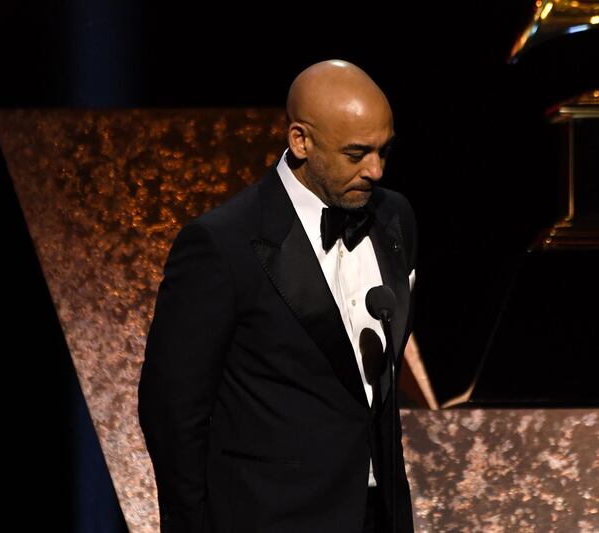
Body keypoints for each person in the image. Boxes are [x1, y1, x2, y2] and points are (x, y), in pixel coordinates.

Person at [138, 59, 417, 533]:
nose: (375, 170)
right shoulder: (222, 244)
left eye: (383, 151)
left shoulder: (395, 219)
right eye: (356, 154)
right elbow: (172, 412)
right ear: (300, 141)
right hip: (272, 516)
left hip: (379, 515)